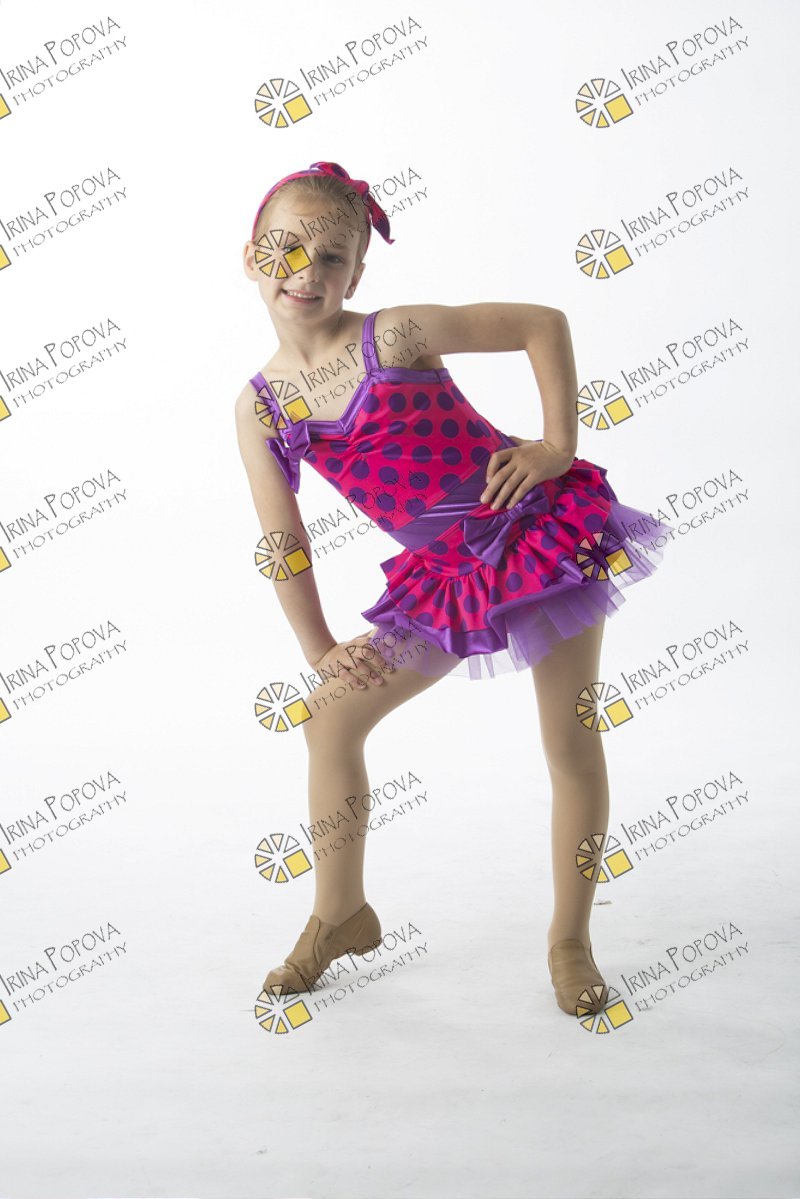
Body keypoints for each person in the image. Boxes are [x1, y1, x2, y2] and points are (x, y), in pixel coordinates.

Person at [235, 161, 673, 1018]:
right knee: (330, 715)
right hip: (448, 577)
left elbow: (541, 323)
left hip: (540, 535)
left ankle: (571, 940)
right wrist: (319, 646)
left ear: (358, 272)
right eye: (285, 250)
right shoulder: (261, 410)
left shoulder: (395, 336)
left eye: (331, 257)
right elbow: (284, 541)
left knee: (568, 737)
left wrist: (554, 444)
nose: (306, 272)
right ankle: (340, 913)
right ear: (251, 256)